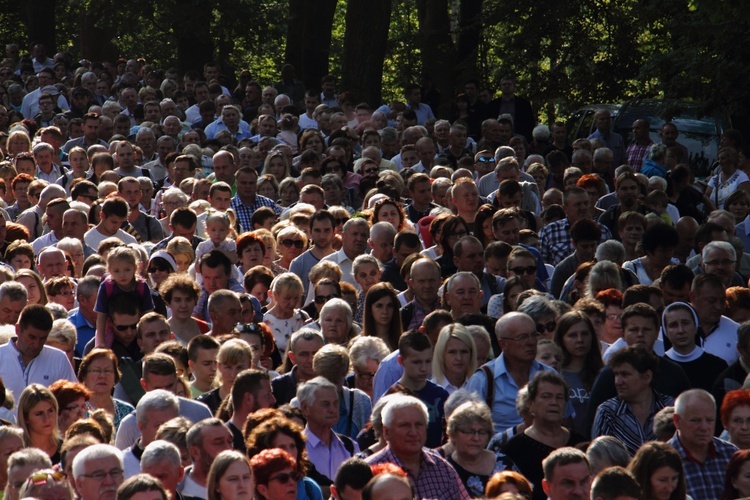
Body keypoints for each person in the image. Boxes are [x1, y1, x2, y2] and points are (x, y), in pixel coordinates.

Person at [365, 394, 470, 499]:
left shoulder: (443, 469)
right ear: (386, 432)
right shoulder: (369, 471)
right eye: (405, 425)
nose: (413, 432)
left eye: (419, 425)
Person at [503, 371, 586, 500]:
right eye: (546, 396)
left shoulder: (579, 442)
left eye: (559, 397)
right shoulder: (514, 448)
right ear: (530, 404)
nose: (554, 402)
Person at [466, 312, 554, 429]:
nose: (531, 342)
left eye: (534, 335)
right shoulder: (483, 379)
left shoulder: (550, 376)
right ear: (503, 343)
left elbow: (565, 423)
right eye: (522, 337)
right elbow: (469, 430)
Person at [591, 347, 673, 455]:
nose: (618, 382)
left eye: (625, 375)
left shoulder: (670, 408)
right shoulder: (607, 412)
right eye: (616, 375)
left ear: (647, 377)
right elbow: (598, 457)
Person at [0, 304, 77, 402]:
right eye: (32, 337)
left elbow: (73, 400)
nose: (36, 344)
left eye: (43, 338)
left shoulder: (59, 359)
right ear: (18, 329)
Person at [669, 389, 737, 499]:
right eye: (695, 420)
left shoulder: (730, 453)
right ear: (677, 421)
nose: (704, 427)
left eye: (710, 420)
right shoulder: (664, 459)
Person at [446, 401, 516, 497]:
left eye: (482, 432)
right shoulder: (445, 470)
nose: (476, 438)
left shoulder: (504, 463)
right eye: (468, 431)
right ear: (453, 434)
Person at [245, 415, 325, 500]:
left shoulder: (310, 489)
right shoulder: (248, 492)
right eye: (282, 478)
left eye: (292, 446)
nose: (289, 452)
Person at [553, 311, 603, 437]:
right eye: (572, 335)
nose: (580, 340)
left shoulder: (604, 375)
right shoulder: (554, 376)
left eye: (585, 334)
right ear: (561, 339)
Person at [95, 246, 155, 348]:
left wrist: (149, 338)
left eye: (127, 270)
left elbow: (148, 314)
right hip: (112, 327)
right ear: (109, 270)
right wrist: (101, 341)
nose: (122, 275)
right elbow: (101, 316)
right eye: (117, 271)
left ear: (135, 268)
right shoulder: (107, 286)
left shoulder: (141, 286)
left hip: (136, 326)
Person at [661, 301, 728, 391]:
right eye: (673, 325)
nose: (681, 330)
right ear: (666, 331)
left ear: (695, 326)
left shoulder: (718, 366)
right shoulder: (659, 368)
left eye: (685, 323)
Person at [78, 348, 135, 431]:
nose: (102, 376)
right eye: (97, 371)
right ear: (84, 376)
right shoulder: (77, 411)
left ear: (115, 376)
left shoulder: (128, 411)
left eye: (107, 371)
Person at [179, 418, 234, 499]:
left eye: (230, 441)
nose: (228, 448)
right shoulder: (176, 490)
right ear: (196, 452)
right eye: (218, 443)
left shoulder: (243, 486)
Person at [272, 329, 325, 405]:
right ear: (292, 357)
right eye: (304, 354)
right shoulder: (278, 387)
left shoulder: (335, 382)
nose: (311, 360)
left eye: (316, 353)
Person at [17, 384, 62, 462]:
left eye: (50, 411)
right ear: (25, 418)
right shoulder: (17, 452)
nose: (47, 419)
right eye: (39, 414)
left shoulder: (65, 449)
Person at [431, 323, 477, 394]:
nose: (459, 358)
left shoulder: (480, 386)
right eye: (452, 352)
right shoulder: (431, 389)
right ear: (441, 354)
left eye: (464, 352)